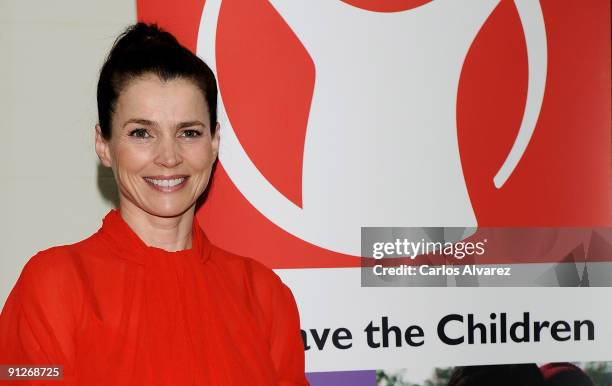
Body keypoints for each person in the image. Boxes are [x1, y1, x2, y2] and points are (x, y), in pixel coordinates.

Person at [0, 23, 308, 386]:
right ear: (103, 144)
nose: (168, 156)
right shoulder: (53, 285)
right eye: (141, 133)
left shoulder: (265, 296)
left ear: (214, 142)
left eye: (189, 132)